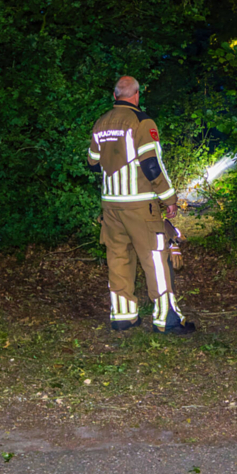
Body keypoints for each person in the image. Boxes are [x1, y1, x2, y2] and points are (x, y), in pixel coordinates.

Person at [87, 76, 195, 334]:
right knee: (155, 258)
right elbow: (151, 164)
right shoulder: (142, 122)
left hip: (111, 204)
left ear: (115, 96)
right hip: (139, 205)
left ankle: (123, 315)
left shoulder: (100, 123)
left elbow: (92, 162)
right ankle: (166, 318)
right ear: (136, 96)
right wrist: (169, 198)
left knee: (118, 257)